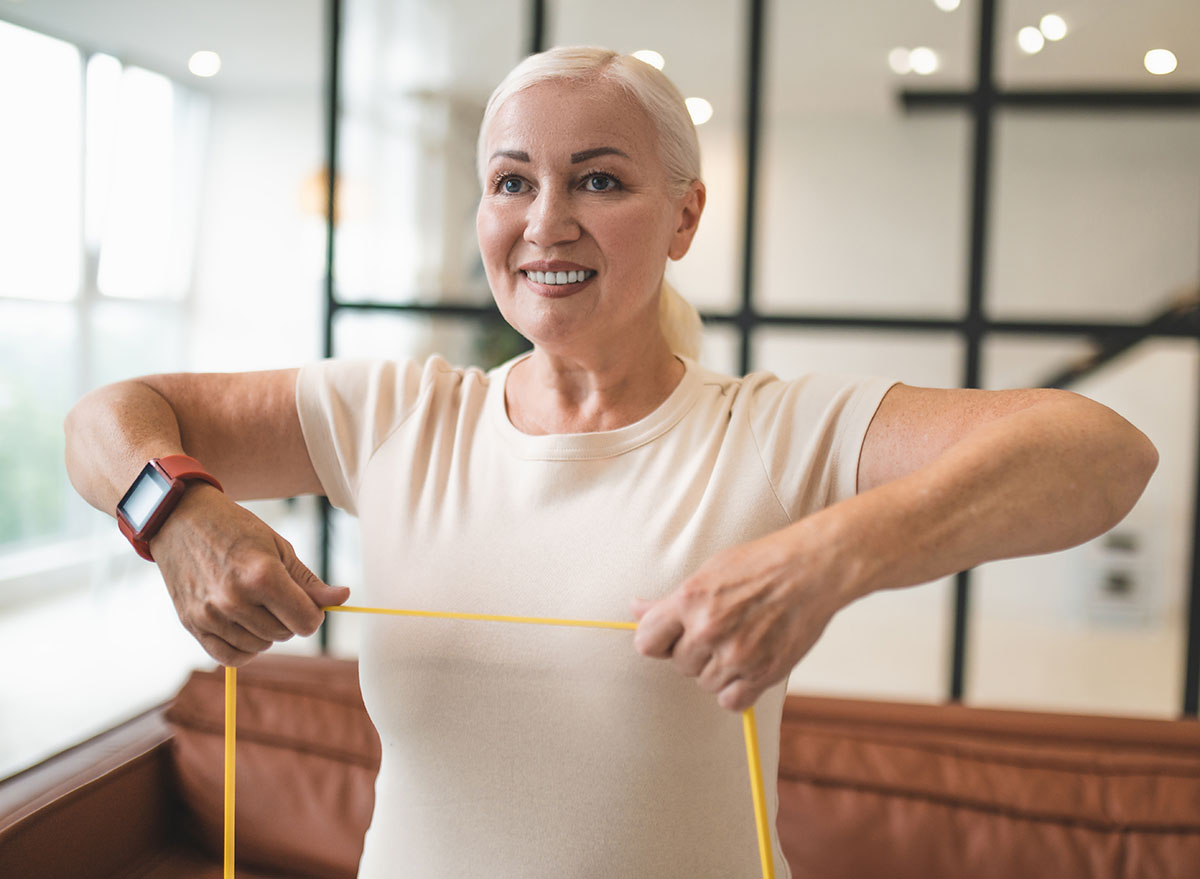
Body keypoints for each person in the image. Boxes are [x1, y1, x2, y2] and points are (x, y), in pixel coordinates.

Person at [65, 46, 1157, 879]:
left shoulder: (774, 431)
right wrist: (178, 512)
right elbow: (109, 418)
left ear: (684, 218)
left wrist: (835, 554)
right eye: (510, 182)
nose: (546, 223)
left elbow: (1103, 453)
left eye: (598, 182)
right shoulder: (389, 411)